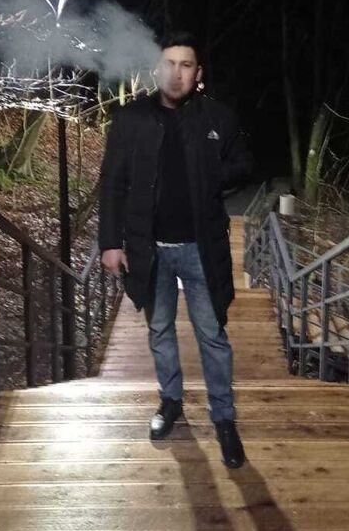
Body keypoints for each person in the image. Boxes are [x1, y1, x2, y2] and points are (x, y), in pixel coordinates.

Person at [99, 31, 253, 468]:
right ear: (156, 67)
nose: (176, 72)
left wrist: (213, 173)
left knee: (212, 334)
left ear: (198, 73)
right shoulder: (131, 119)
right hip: (149, 250)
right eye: (169, 63)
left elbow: (244, 164)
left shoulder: (217, 117)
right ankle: (170, 402)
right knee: (160, 330)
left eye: (186, 65)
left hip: (202, 249)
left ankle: (224, 418)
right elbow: (112, 183)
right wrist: (110, 243)